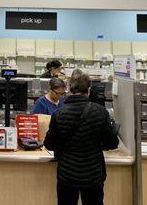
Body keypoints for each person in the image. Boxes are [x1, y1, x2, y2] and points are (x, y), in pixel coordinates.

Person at [44, 70, 119, 205]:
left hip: (67, 175)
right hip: (93, 174)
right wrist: (97, 143)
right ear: (88, 89)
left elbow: (49, 144)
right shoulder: (100, 112)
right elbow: (113, 142)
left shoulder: (59, 113)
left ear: (70, 89)